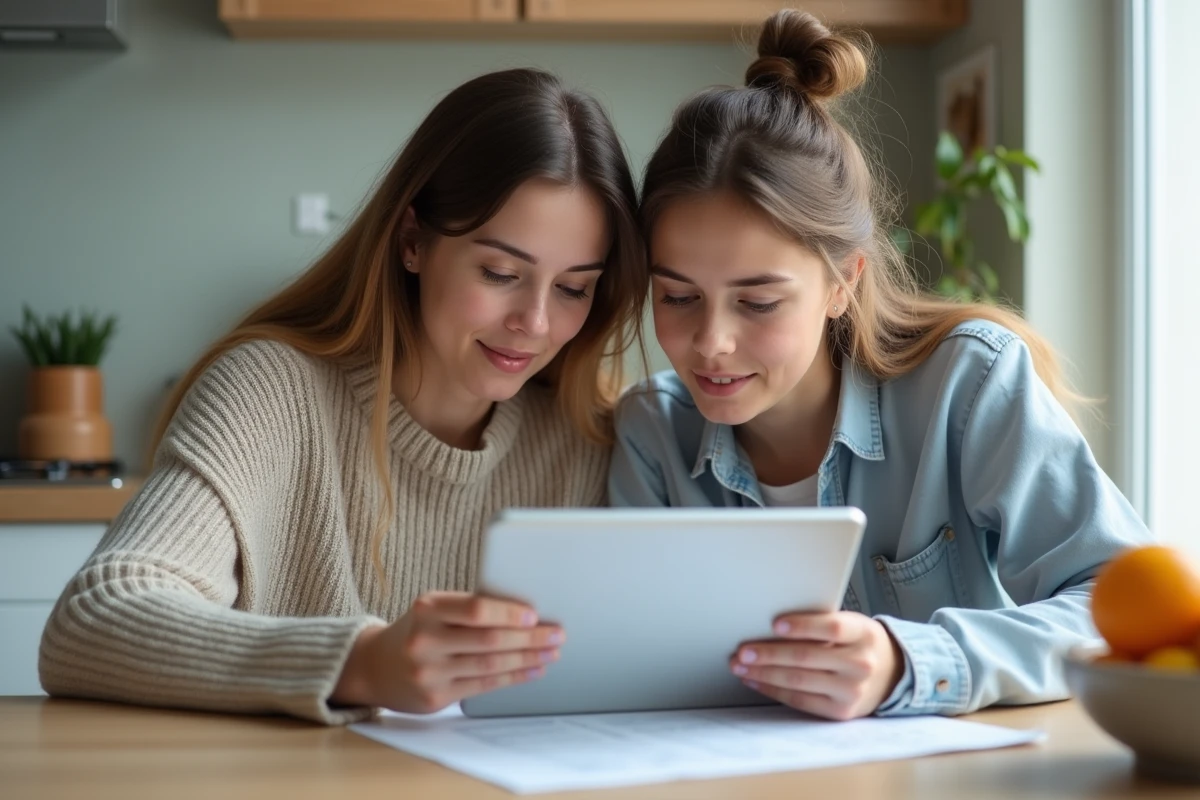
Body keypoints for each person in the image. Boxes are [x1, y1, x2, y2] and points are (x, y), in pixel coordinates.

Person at [39, 68, 647, 724]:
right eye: (501, 273)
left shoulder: (590, 439)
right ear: (412, 242)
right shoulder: (270, 394)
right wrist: (361, 663)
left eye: (574, 288)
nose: (535, 322)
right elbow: (90, 621)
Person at [610, 10, 1152, 721]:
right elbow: (627, 659)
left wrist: (909, 660)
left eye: (758, 302)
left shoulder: (968, 385)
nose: (711, 342)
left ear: (843, 282)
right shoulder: (652, 433)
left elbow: (1123, 610)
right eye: (678, 296)